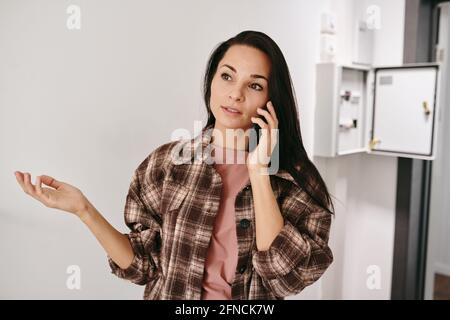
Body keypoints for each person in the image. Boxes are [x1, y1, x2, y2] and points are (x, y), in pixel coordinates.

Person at [14, 30, 335, 300]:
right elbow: (142, 264)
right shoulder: (166, 164)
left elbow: (284, 276)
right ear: (211, 82)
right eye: (227, 76)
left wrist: (260, 173)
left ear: (271, 98)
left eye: (254, 85)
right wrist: (83, 209)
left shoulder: (296, 181)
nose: (234, 94)